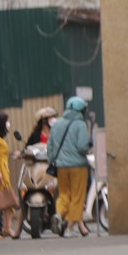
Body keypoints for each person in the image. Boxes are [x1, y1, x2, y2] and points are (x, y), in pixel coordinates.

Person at [48, 97, 92, 238]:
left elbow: (50, 145)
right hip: (78, 166)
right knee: (77, 197)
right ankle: (70, 228)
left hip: (61, 166)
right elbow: (82, 146)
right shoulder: (81, 125)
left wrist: (52, 161)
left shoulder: (57, 124)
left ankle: (59, 214)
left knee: (64, 194)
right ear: (81, 110)